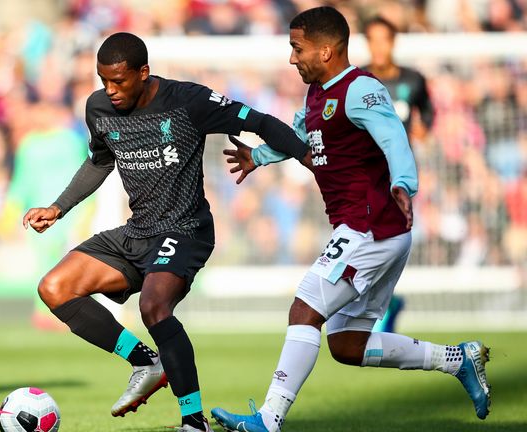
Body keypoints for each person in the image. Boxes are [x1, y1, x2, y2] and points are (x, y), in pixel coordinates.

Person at [210, 7, 490, 432]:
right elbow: (303, 138)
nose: (291, 58)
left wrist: (403, 183)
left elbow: (394, 136)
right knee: (346, 344)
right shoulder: (317, 93)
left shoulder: (360, 89)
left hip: (371, 226)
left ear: (326, 51)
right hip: (371, 229)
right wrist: (259, 156)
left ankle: (269, 419)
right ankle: (457, 359)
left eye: (297, 48)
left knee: (305, 309)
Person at [22, 32, 310, 432]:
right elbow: (99, 161)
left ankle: (194, 421)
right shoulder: (99, 107)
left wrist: (310, 158)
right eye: (104, 80)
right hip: (138, 232)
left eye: (119, 81)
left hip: (185, 230)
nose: (111, 89)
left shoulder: (188, 101)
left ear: (144, 72)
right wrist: (57, 207)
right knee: (54, 287)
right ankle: (145, 361)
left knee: (154, 307)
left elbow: (258, 121)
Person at [363, 15, 435, 333]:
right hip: (363, 170)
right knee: (366, 236)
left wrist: (423, 129)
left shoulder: (413, 79)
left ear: (393, 42)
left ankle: (382, 305)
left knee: (388, 236)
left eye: (385, 39)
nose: (379, 47)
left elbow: (427, 113)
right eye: (373, 40)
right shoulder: (359, 79)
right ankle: (385, 302)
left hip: (398, 175)